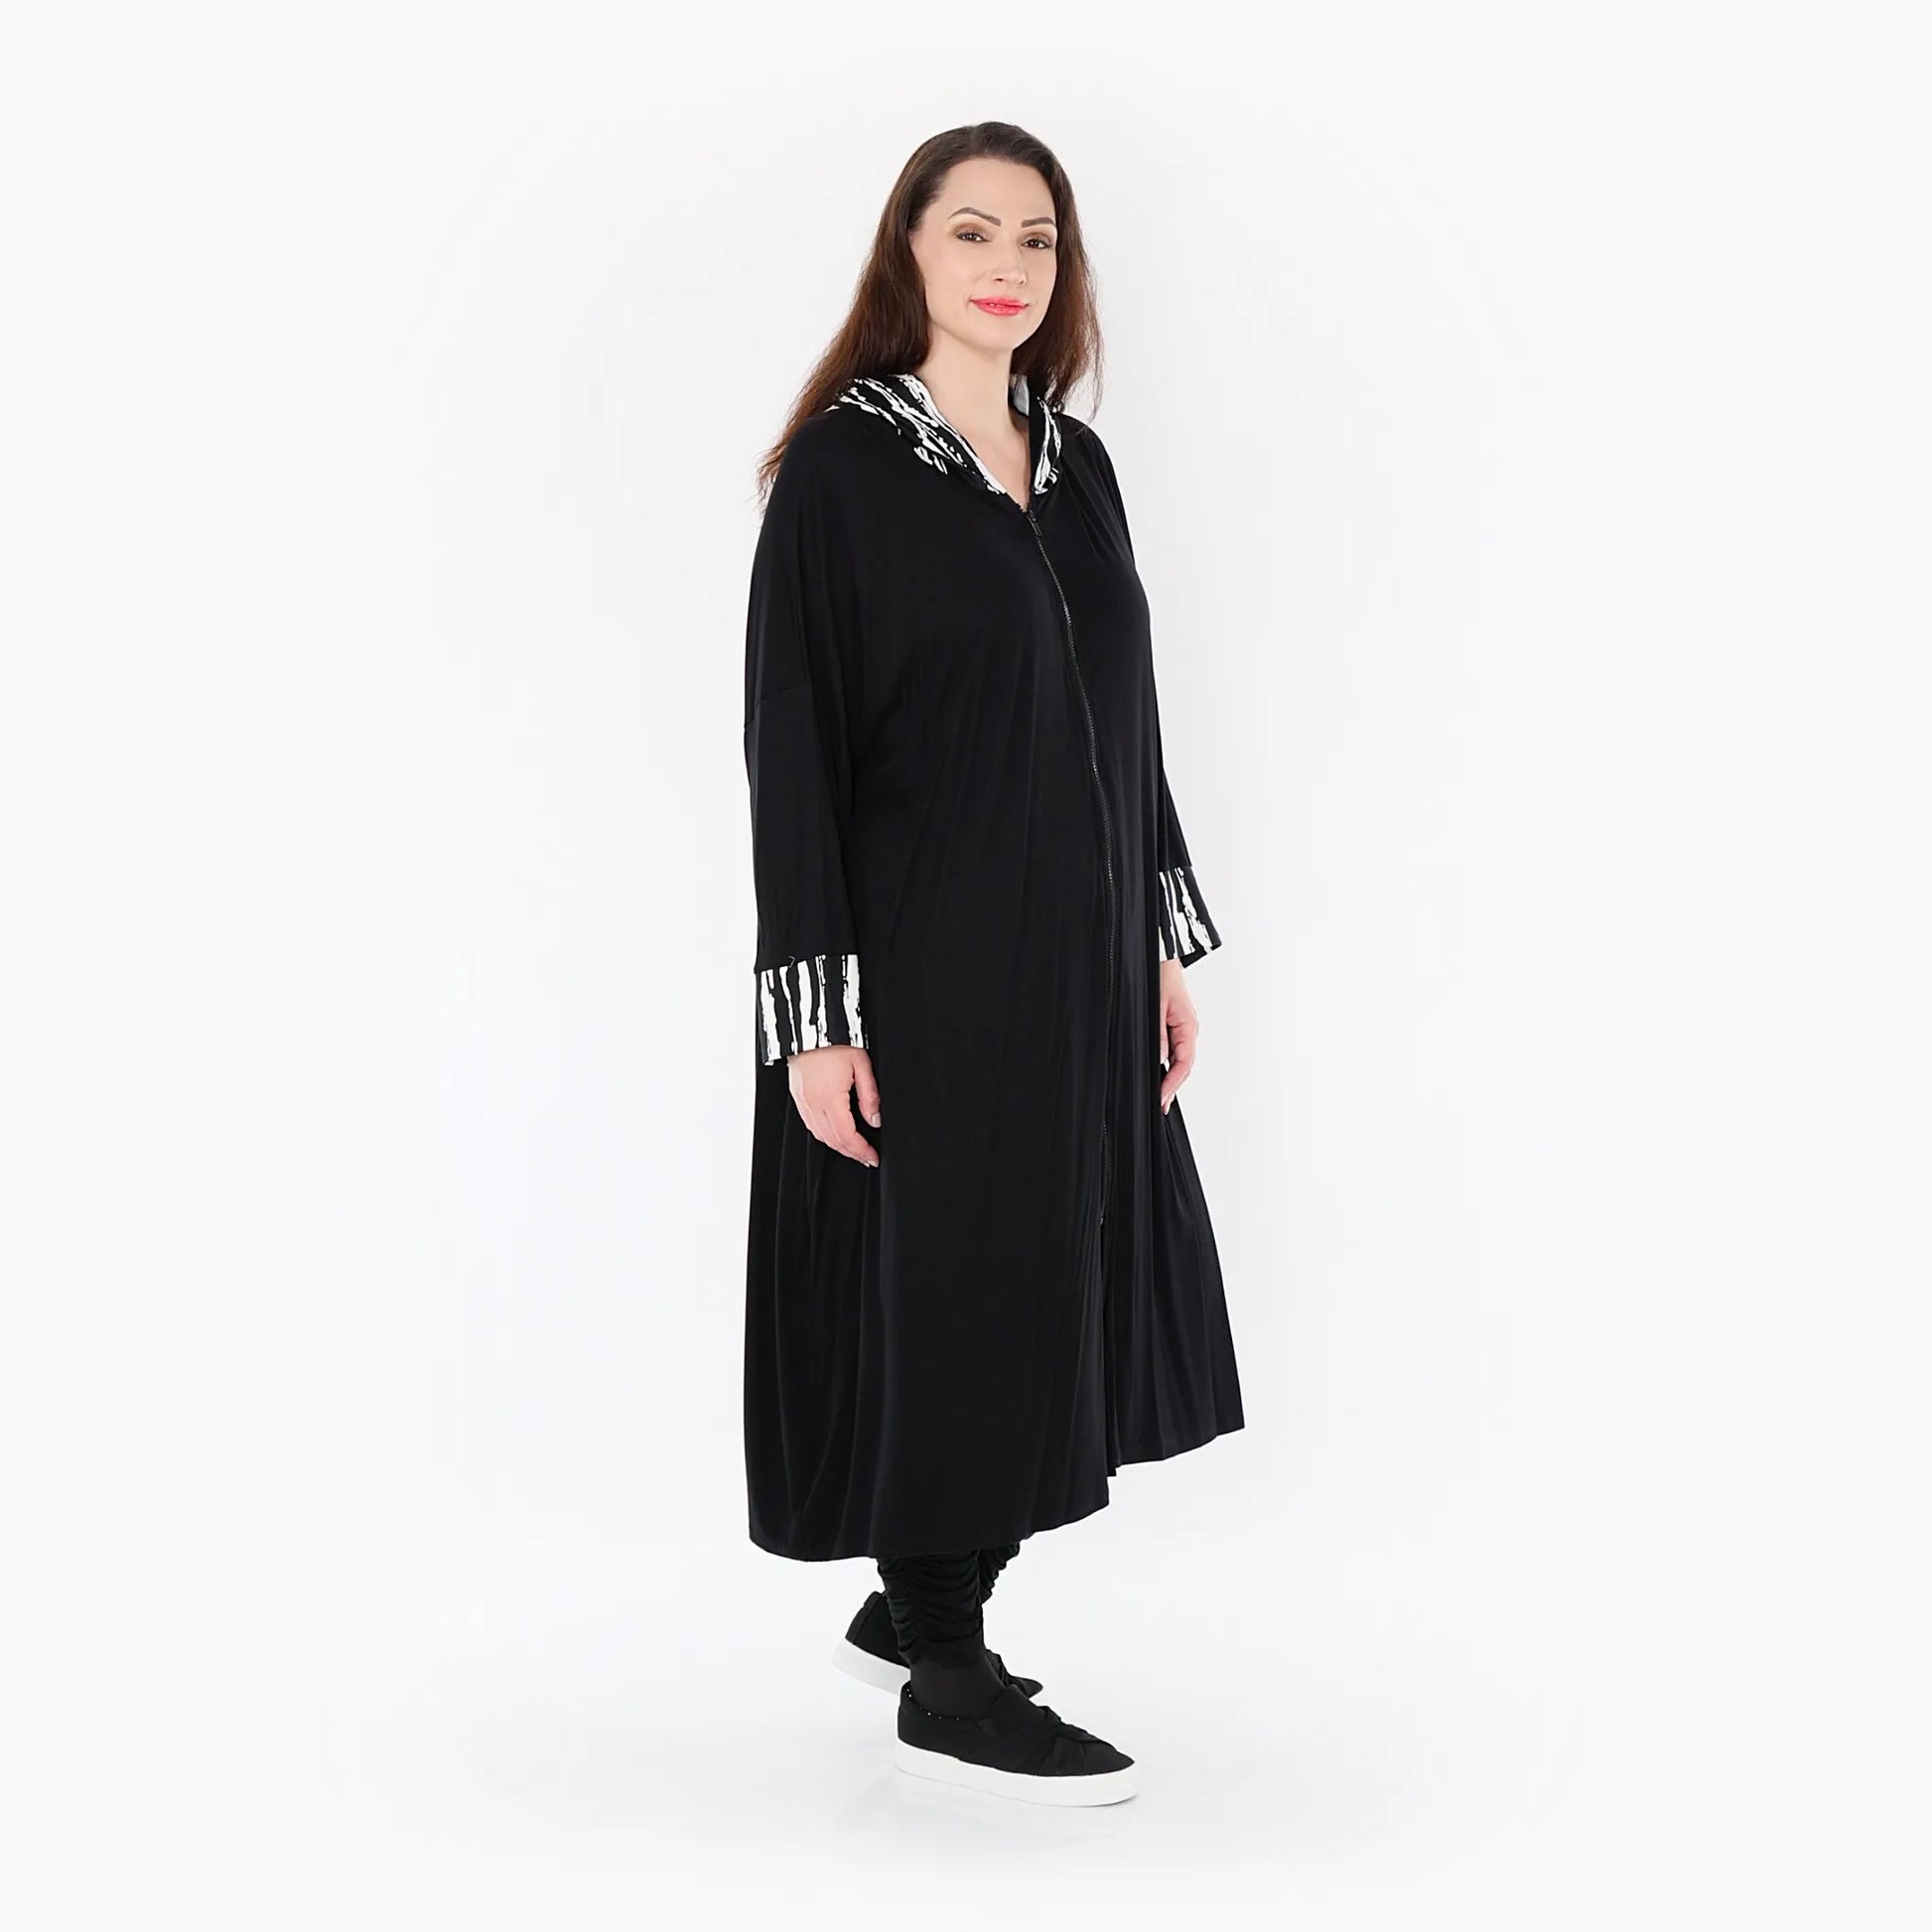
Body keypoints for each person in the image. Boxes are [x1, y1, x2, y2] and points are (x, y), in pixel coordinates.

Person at [742, 122, 1244, 1807]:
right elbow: (791, 746)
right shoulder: (843, 471)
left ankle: (914, 1600)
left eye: (1035, 237)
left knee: (1062, 1275)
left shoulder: (1073, 460)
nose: (1007, 265)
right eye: (971, 230)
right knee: (953, 1280)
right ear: (908, 248)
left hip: (1082, 956)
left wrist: (1158, 940)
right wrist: (816, 1014)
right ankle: (946, 1673)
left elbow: (1124, 711)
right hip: (927, 957)